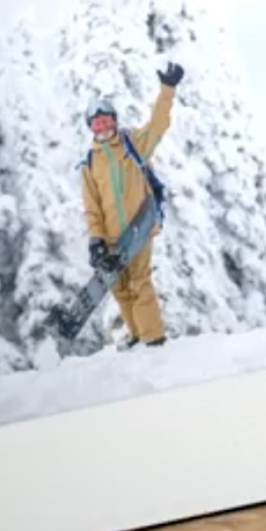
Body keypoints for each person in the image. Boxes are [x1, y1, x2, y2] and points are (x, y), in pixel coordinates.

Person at [79, 62, 185, 348]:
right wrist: (96, 240)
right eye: (96, 122)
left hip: (138, 227)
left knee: (140, 281)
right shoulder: (90, 163)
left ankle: (153, 339)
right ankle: (138, 335)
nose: (101, 126)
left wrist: (167, 90)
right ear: (91, 127)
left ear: (114, 120)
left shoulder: (133, 144)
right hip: (112, 237)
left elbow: (158, 124)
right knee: (119, 287)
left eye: (105, 120)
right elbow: (92, 207)